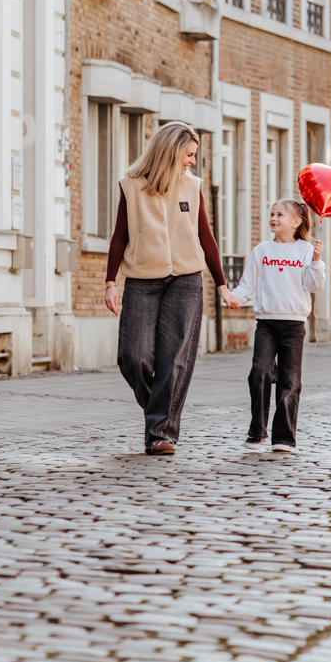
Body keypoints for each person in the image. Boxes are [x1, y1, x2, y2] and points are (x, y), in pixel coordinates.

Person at [105, 121, 234, 455]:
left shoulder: (192, 187)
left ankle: (160, 434)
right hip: (142, 280)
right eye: (189, 154)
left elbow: (206, 236)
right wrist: (110, 282)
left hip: (186, 281)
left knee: (174, 361)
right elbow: (120, 236)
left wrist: (221, 284)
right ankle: (159, 415)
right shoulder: (131, 186)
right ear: (171, 151)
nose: (192, 161)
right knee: (132, 357)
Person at [227, 200, 325, 453]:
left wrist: (316, 261)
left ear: (296, 222)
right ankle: (257, 431)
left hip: (294, 324)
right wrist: (237, 297)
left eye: (280, 214)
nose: (274, 218)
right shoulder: (261, 250)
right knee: (259, 371)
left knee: (289, 381)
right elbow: (248, 284)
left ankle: (284, 437)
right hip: (266, 323)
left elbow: (314, 286)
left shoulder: (305, 250)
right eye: (272, 214)